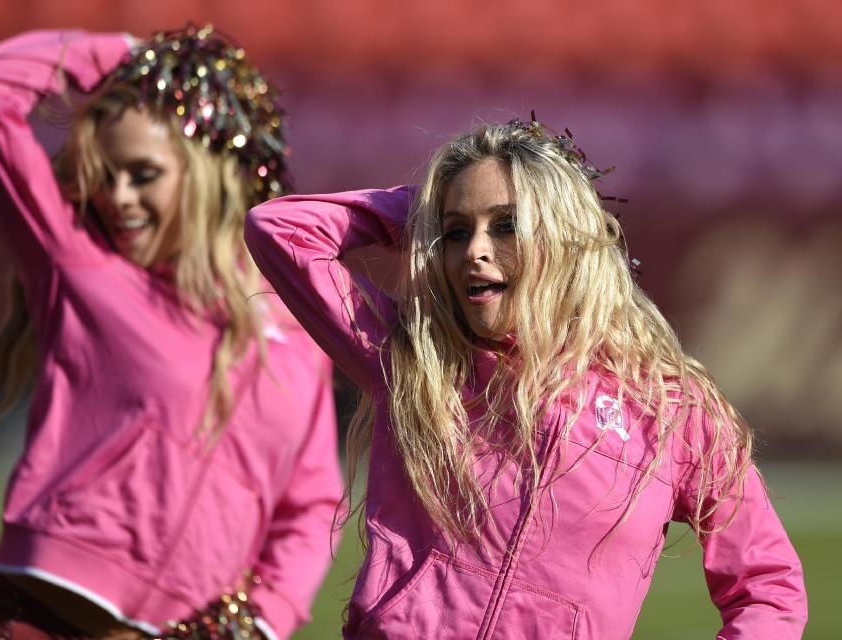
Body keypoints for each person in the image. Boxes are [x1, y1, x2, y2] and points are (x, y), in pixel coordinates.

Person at [244, 117, 808, 638]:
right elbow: (282, 229)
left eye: (508, 225)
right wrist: (421, 214)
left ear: (564, 238)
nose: (475, 252)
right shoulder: (414, 360)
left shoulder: (668, 407)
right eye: (457, 232)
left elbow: (768, 587)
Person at [0, 25, 342, 640]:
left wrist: (263, 622)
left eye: (143, 174)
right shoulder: (79, 266)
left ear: (206, 173)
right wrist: (133, 57)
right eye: (106, 173)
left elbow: (311, 506)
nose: (117, 196)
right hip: (29, 620)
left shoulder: (296, 321)